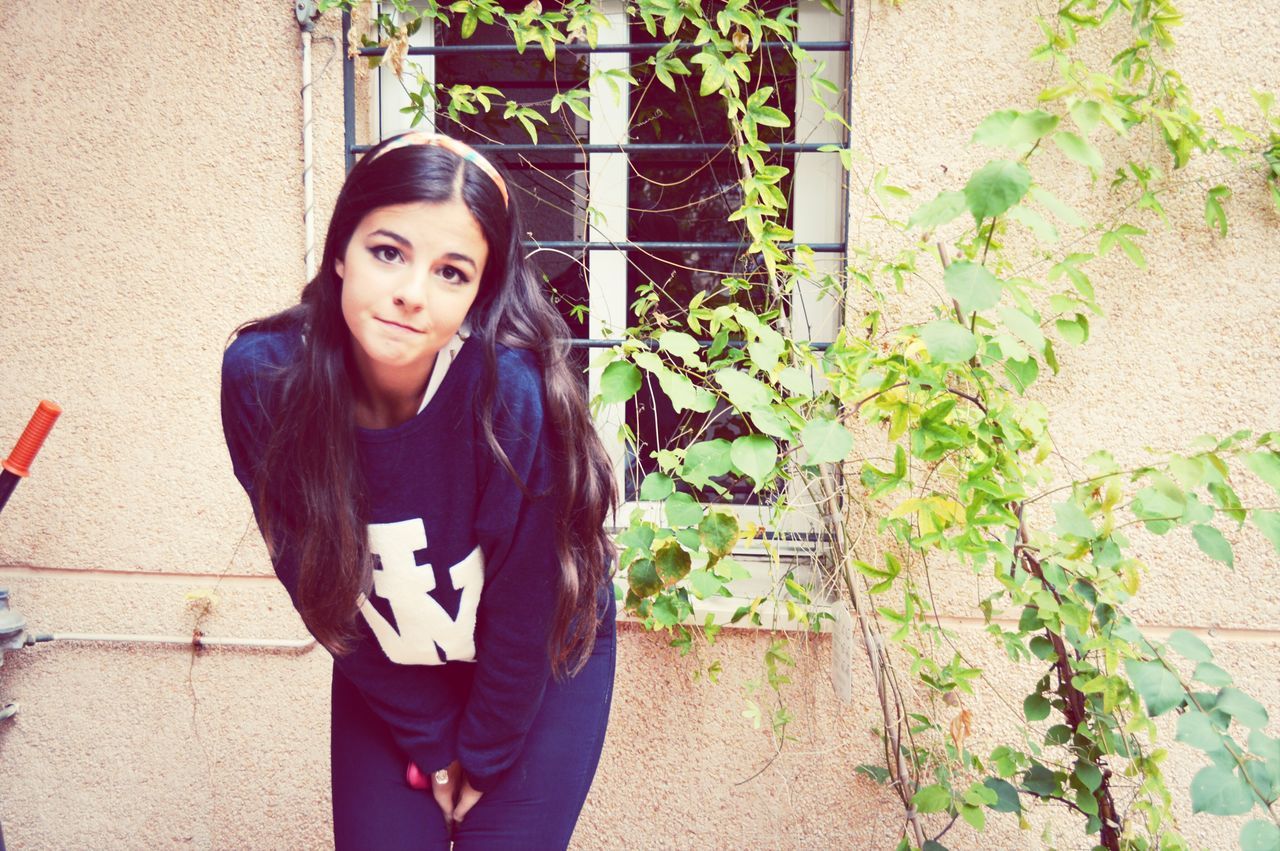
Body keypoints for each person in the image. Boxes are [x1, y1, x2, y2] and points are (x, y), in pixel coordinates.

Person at [220, 131, 618, 850]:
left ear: (479, 293)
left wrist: (482, 756)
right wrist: (434, 746)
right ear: (341, 249)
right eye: (387, 252)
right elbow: (320, 583)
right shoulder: (265, 381)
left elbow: (529, 608)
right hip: (392, 659)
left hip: (537, 664)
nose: (411, 292)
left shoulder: (512, 398)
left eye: (452, 271)